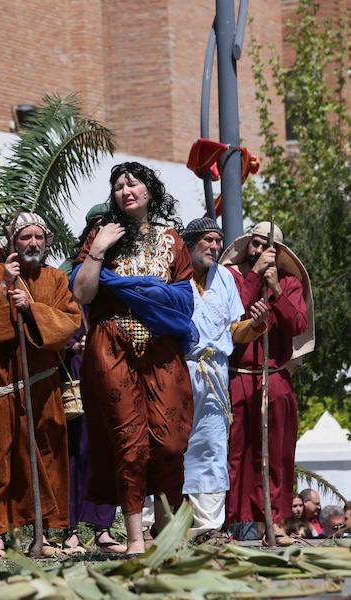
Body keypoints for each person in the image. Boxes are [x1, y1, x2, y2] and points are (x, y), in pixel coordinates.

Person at [71, 162, 196, 555]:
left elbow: (183, 299)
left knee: (171, 442)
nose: (126, 190)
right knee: (130, 443)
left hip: (161, 349)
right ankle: (137, 540)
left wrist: (149, 293)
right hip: (113, 346)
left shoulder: (171, 239)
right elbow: (83, 294)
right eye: (119, 185)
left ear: (149, 190)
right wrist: (97, 250)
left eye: (133, 183)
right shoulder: (101, 235)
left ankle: (166, 530)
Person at [0, 212, 81, 558]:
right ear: (12, 242)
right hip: (3, 384)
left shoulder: (55, 278)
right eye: (25, 237)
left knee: (47, 455)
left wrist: (32, 309)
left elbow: (69, 323)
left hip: (43, 384)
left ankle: (44, 533)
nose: (32, 243)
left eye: (38, 237)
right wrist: (6, 289)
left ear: (47, 242)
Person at [221, 222, 313, 536]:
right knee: (237, 456)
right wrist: (254, 277)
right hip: (239, 378)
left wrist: (275, 289)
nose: (259, 250)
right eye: (256, 243)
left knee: (278, 456)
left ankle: (279, 524)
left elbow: (299, 323)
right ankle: (238, 525)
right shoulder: (231, 277)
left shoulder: (288, 282)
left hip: (274, 378)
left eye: (266, 246)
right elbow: (227, 316)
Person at [181, 218, 269, 536]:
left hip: (215, 372)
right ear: (189, 243)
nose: (216, 247)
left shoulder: (226, 280)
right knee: (168, 444)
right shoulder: (173, 276)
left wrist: (256, 325)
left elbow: (235, 331)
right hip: (176, 368)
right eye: (208, 240)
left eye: (218, 241)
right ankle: (158, 522)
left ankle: (207, 525)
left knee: (211, 446)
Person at [59, 203, 125, 555]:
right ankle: (69, 530)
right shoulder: (67, 275)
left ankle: (102, 528)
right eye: (98, 228)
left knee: (110, 450)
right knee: (76, 450)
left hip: (114, 370)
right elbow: (53, 319)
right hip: (78, 369)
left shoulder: (121, 275)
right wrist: (73, 342)